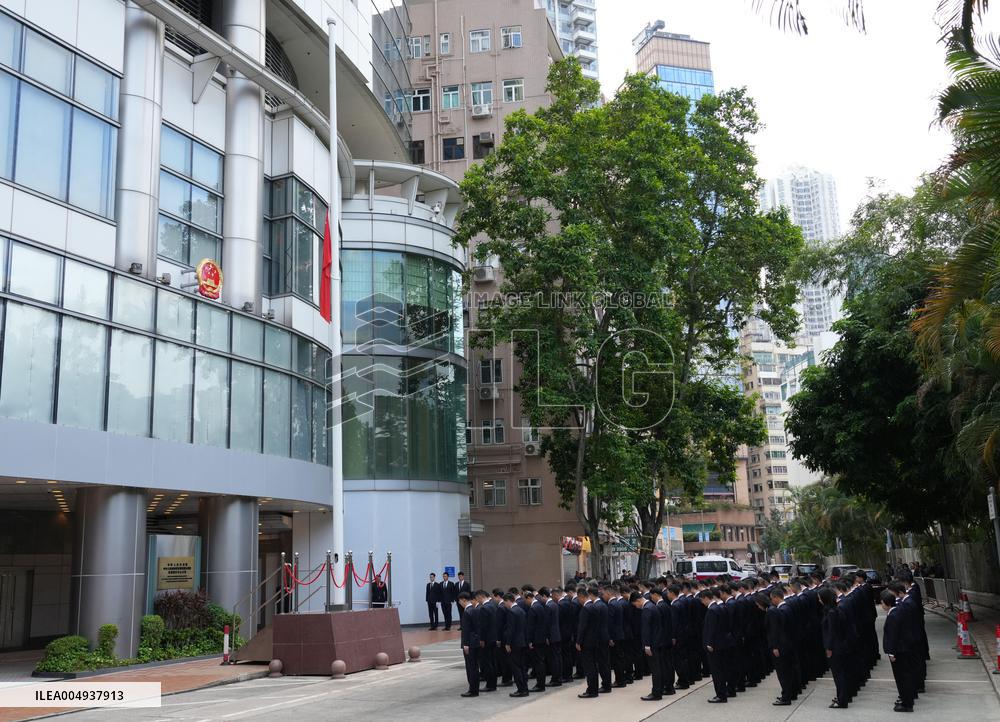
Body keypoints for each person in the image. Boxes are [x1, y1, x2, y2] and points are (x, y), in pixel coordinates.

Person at [881, 589, 917, 713]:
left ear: (887, 603)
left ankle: (907, 704)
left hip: (899, 651)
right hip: (903, 648)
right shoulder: (897, 611)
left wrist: (891, 652)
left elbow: (893, 636)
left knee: (902, 678)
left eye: (882, 603)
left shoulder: (893, 615)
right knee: (904, 676)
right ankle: (907, 700)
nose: (881, 605)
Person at [819, 586, 850, 709]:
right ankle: (841, 696)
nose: (819, 600)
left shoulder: (832, 612)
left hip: (835, 648)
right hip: (837, 646)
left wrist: (829, 648)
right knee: (838, 674)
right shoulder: (832, 610)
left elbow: (832, 632)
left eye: (820, 598)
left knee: (839, 674)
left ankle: (842, 700)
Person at [767, 586, 798, 706]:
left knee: (783, 672)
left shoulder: (781, 611)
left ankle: (786, 697)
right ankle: (792, 693)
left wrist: (775, 646)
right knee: (789, 671)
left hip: (782, 646)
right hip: (789, 645)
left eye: (772, 598)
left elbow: (778, 631)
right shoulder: (788, 608)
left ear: (776, 597)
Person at [633, 590, 662, 701]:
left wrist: (647, 645)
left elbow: (646, 629)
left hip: (652, 644)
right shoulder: (652, 606)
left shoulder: (647, 609)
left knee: (655, 669)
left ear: (638, 600)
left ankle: (656, 693)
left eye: (635, 604)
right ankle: (658, 690)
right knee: (657, 668)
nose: (636, 607)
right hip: (657, 641)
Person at [503, 593, 529, 698]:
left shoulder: (512, 612)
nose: (505, 605)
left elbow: (511, 630)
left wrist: (508, 643)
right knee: (522, 667)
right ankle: (525, 688)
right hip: (522, 642)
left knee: (516, 667)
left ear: (509, 600)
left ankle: (521, 689)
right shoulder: (521, 610)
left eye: (505, 602)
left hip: (515, 643)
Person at [576, 585, 599, 698]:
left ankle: (592, 690)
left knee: (589, 667)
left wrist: (578, 642)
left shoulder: (585, 608)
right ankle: (594, 688)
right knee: (593, 666)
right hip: (594, 640)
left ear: (581, 597)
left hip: (586, 642)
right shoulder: (594, 606)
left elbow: (582, 627)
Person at [458, 592, 480, 697]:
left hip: (469, 643)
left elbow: (466, 630)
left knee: (470, 667)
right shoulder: (476, 609)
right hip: (475, 641)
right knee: (475, 666)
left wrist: (465, 644)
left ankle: (472, 690)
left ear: (463, 600)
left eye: (459, 601)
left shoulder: (467, 612)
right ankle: (475, 688)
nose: (459, 603)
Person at [476, 589, 498, 692]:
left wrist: (482, 639)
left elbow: (483, 626)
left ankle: (490, 685)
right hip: (494, 638)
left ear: (480, 597)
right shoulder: (493, 605)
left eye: (477, 599)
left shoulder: (484, 608)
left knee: (487, 663)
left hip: (487, 639)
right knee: (493, 661)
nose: (477, 601)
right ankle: (493, 683)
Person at [526, 589, 547, 692]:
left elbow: (531, 627)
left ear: (529, 598)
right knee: (541, 661)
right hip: (542, 638)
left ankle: (540, 685)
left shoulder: (533, 609)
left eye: (526, 600)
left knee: (538, 663)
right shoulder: (540, 606)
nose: (526, 603)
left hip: (536, 639)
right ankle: (541, 684)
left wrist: (529, 640)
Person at [540, 588, 563, 686]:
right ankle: (558, 677)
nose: (540, 599)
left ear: (544, 596)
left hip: (551, 636)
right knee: (557, 657)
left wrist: (546, 637)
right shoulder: (555, 604)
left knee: (553, 658)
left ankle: (555, 679)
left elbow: (546, 624)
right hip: (557, 634)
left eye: (541, 597)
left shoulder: (548, 606)